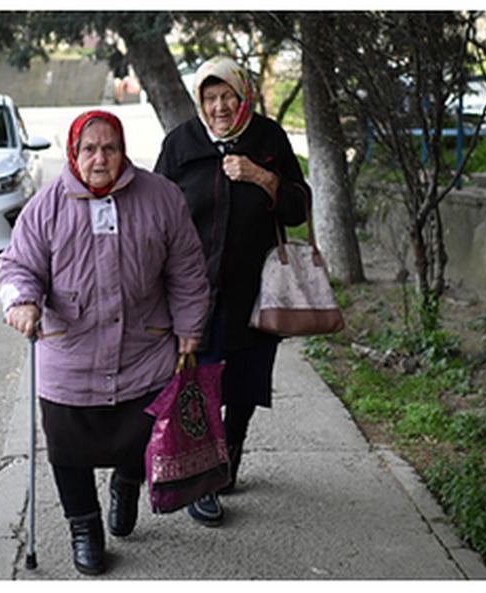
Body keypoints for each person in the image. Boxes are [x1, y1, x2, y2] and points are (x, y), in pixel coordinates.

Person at [0, 110, 209, 575]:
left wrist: (191, 326)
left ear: (123, 150)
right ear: (73, 153)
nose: (99, 158)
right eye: (89, 149)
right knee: (68, 449)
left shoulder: (162, 197)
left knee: (140, 439)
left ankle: (126, 485)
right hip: (70, 355)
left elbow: (188, 270)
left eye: (109, 148)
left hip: (144, 350)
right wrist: (22, 302)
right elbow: (16, 267)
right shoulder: (47, 205)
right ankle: (84, 528)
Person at [154, 56, 309, 527]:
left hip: (255, 292)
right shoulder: (181, 144)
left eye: (228, 97)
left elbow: (298, 207)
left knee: (242, 387)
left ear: (243, 96)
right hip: (196, 293)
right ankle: (204, 477)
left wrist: (261, 176)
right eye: (210, 97)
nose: (220, 106)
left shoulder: (268, 140)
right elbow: (155, 211)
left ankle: (229, 460)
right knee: (200, 384)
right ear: (200, 100)